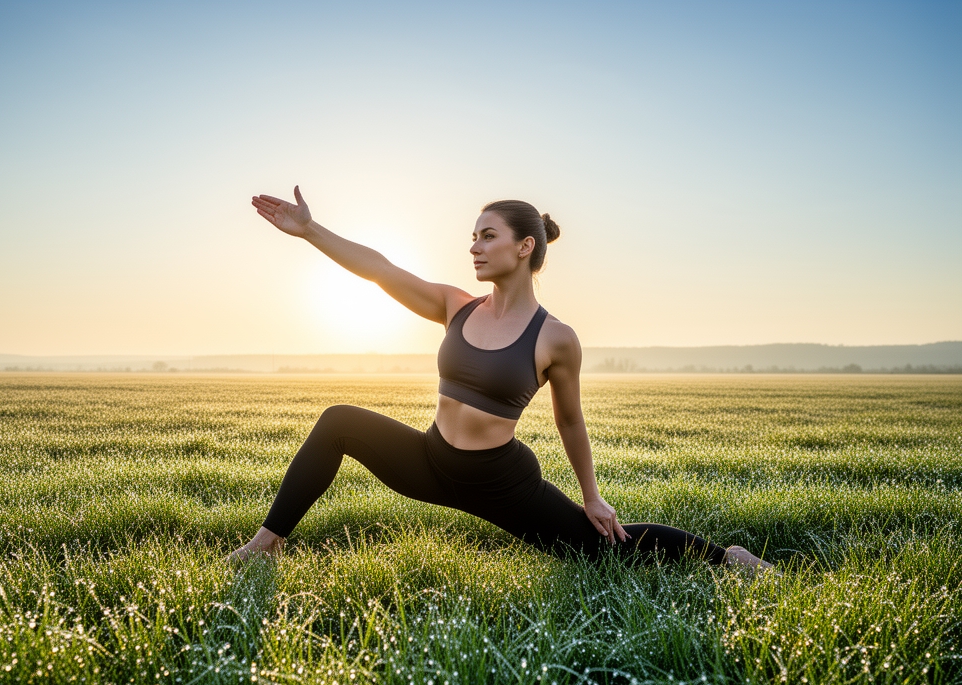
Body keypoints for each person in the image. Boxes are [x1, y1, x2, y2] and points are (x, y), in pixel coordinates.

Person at [230, 187, 771, 571]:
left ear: (524, 246)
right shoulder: (455, 306)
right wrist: (309, 231)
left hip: (502, 483)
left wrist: (592, 496)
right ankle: (267, 542)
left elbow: (570, 419)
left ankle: (727, 558)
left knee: (607, 550)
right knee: (338, 423)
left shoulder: (555, 338)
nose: (474, 246)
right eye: (473, 236)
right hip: (431, 461)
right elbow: (381, 269)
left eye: (488, 236)